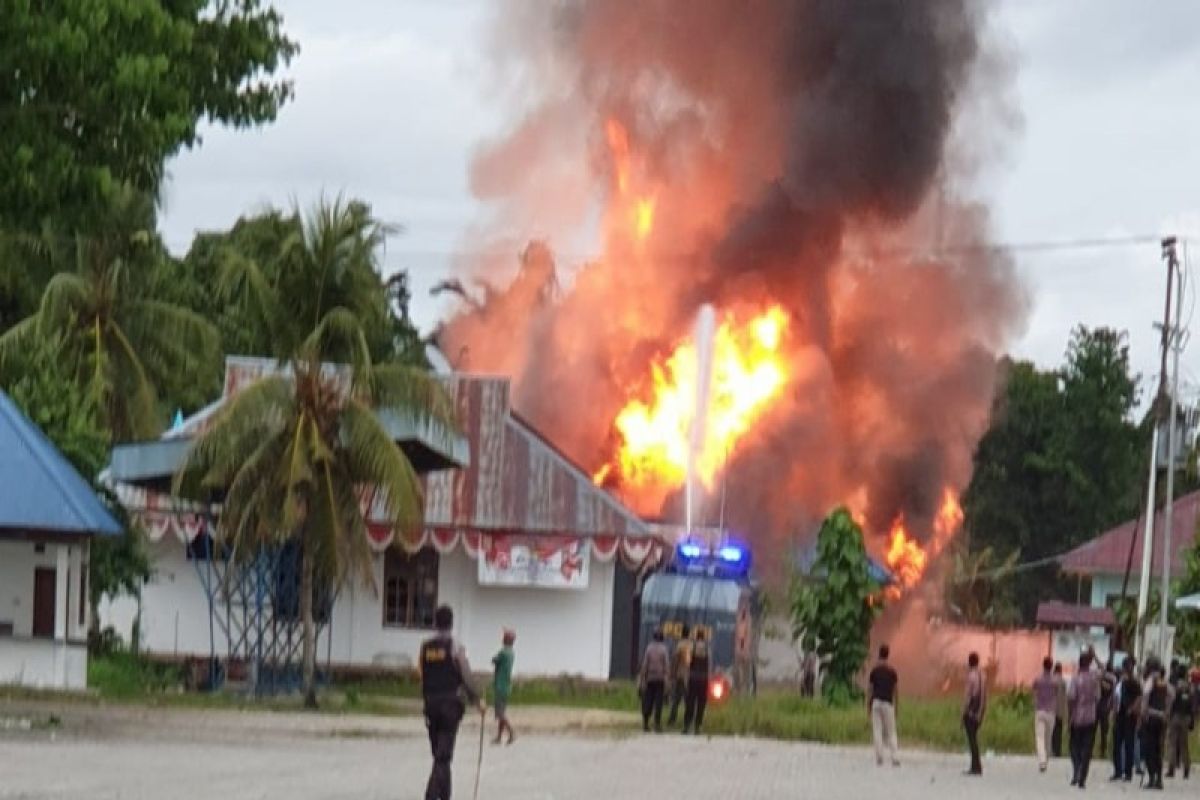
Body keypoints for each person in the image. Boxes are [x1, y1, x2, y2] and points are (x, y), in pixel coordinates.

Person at [419, 605, 485, 800]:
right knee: (443, 756)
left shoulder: (425, 647)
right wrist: (477, 699)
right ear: (451, 622)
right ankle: (431, 796)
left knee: (440, 756)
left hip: (431, 705)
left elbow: (423, 675)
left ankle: (445, 796)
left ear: (435, 623)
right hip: (450, 706)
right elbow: (465, 675)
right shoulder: (455, 646)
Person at [1068, 651, 1100, 788]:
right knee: (1087, 748)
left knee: (1074, 746)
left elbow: (1071, 697)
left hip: (1076, 717)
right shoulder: (1094, 679)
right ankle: (1083, 777)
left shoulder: (1076, 679)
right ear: (1089, 664)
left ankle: (1076, 770)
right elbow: (1098, 697)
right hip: (1091, 718)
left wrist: (1070, 715)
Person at [1140, 659, 1171, 790]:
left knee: (1149, 749)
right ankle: (1159, 779)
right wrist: (1166, 712)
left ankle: (1152, 777)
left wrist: (1143, 713)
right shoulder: (1164, 681)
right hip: (1162, 718)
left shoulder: (1151, 680)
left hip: (1151, 717)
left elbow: (1146, 695)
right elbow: (1171, 695)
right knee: (1158, 749)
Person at [868, 644, 900, 767]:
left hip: (876, 702)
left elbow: (870, 689)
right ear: (888, 655)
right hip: (888, 703)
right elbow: (895, 691)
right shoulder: (892, 672)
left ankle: (879, 757)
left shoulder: (874, 671)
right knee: (891, 731)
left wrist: (868, 705)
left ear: (879, 654)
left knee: (877, 730)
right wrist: (897, 706)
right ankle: (895, 757)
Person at [1110, 656, 1141, 782]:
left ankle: (1128, 773)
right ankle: (1118, 771)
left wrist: (1133, 709)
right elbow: (1116, 696)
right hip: (1120, 715)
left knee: (1129, 745)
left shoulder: (1134, 682)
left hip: (1129, 716)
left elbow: (1139, 697)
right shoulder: (1120, 680)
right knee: (1117, 744)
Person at [638, 629, 669, 732]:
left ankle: (646, 723)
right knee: (658, 703)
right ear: (662, 638)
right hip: (660, 679)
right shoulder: (664, 649)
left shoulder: (649, 648)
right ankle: (657, 724)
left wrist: (642, 678)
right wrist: (667, 680)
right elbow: (666, 666)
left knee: (648, 700)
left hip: (650, 678)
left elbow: (645, 664)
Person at [1166, 661, 1193, 779]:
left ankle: (1171, 768)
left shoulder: (1175, 685)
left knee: (1172, 743)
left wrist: (1168, 714)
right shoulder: (1189, 686)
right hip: (1186, 717)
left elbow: (1171, 701)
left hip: (1176, 715)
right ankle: (1186, 768)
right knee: (1184, 744)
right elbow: (1192, 703)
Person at [491, 628, 516, 746]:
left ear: (506, 639)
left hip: (500, 686)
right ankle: (499, 737)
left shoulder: (503, 652)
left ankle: (511, 732)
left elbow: (494, 660)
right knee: (502, 712)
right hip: (507, 685)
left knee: (500, 713)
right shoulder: (511, 652)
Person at [683, 627, 711, 735]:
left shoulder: (692, 647)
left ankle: (686, 725)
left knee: (690, 702)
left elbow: (687, 663)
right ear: (703, 637)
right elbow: (709, 665)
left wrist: (686, 677)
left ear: (696, 637)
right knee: (701, 703)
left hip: (693, 678)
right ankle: (697, 726)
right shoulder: (707, 648)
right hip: (703, 679)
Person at [963, 652, 986, 776]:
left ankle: (975, 766)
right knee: (974, 738)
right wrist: (982, 710)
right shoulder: (983, 675)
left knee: (972, 740)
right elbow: (984, 695)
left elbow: (968, 696)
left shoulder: (971, 676)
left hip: (971, 710)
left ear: (969, 662)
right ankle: (976, 765)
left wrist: (963, 712)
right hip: (980, 710)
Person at [1033, 657, 1057, 772]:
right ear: (1051, 666)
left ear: (1043, 666)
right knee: (1048, 738)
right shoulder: (1055, 681)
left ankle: (1042, 761)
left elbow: (1034, 691)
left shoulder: (1038, 679)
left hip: (1040, 710)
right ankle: (1045, 760)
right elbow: (1057, 694)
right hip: (1051, 711)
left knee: (1040, 737)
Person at [667, 624, 692, 727]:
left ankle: (672, 720)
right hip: (689, 676)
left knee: (676, 699)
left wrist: (671, 674)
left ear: (681, 633)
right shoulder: (691, 645)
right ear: (689, 634)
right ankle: (688, 721)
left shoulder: (679, 645)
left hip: (680, 675)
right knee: (688, 700)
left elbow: (675, 661)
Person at [1096, 658, 1117, 758]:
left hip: (1101, 705)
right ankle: (1102, 751)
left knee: (1099, 730)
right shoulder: (1112, 678)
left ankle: (1101, 751)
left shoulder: (1103, 677)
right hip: (1104, 706)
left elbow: (1109, 690)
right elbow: (1113, 694)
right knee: (1103, 730)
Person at [1052, 662, 1067, 759]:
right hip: (1060, 710)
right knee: (1058, 731)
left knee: (1051, 731)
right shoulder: (1063, 681)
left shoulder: (1051, 680)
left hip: (1051, 709)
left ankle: (1051, 750)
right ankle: (1058, 751)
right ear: (1060, 670)